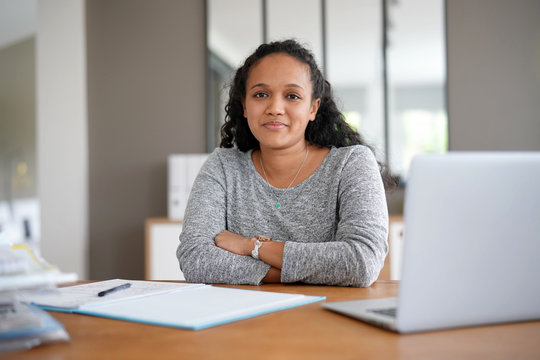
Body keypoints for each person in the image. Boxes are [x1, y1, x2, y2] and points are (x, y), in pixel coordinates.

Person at [177, 39, 394, 287]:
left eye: (292, 96)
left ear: (313, 108)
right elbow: (195, 260)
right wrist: (308, 271)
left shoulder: (352, 163)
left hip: (327, 319)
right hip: (242, 321)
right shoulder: (223, 166)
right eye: (261, 94)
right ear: (244, 106)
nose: (275, 108)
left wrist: (252, 246)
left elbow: (361, 263)